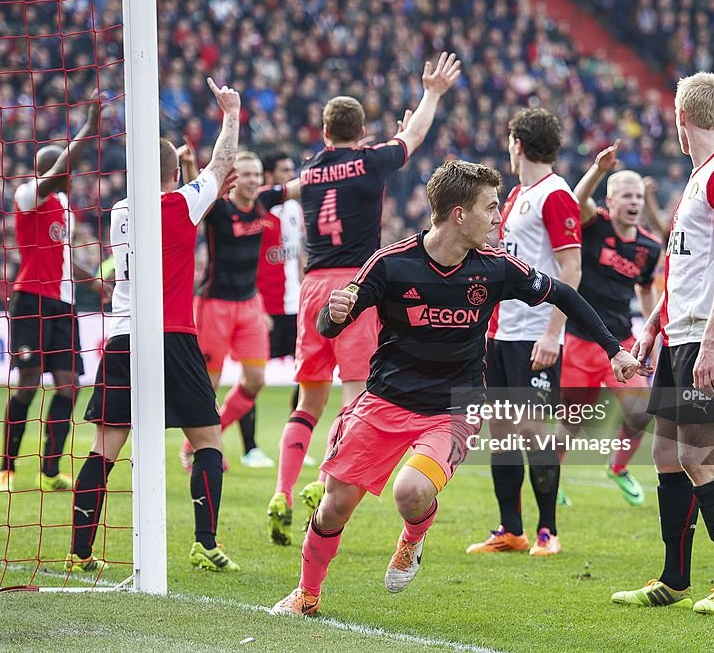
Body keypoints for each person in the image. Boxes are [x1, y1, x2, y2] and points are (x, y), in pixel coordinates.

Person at [270, 160, 643, 615]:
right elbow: (331, 325)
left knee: (410, 492)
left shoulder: (496, 268)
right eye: (490, 207)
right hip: (384, 401)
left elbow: (563, 293)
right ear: (459, 215)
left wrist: (614, 349)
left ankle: (413, 537)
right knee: (333, 507)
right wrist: (335, 310)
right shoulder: (391, 264)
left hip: (453, 408)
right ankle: (306, 595)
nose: (498, 217)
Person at [264, 52, 462, 546]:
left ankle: (283, 490)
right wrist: (432, 92)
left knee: (309, 396)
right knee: (356, 394)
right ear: (361, 130)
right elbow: (413, 138)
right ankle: (326, 482)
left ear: (325, 132)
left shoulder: (309, 172)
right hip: (355, 284)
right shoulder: (371, 162)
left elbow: (277, 193)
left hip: (311, 286)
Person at [66, 78, 243, 573]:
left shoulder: (122, 210)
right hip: (172, 336)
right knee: (207, 441)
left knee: (105, 447)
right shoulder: (180, 203)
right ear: (175, 173)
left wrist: (183, 170)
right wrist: (229, 114)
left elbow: (190, 181)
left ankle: (80, 551)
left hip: (123, 337)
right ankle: (205, 543)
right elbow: (222, 164)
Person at [613, 71, 714, 615]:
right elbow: (686, 270)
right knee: (666, 454)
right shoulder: (699, 179)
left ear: (681, 118)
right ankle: (674, 579)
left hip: (706, 338)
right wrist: (652, 327)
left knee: (699, 456)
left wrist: (713, 343)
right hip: (680, 334)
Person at [467, 108, 581, 557]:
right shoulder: (515, 195)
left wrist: (554, 332)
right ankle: (509, 529)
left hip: (536, 334)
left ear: (517, 143)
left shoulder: (555, 195)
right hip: (502, 334)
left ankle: (547, 531)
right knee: (504, 432)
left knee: (534, 432)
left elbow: (571, 269)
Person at [0, 91, 109, 493]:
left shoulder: (64, 206)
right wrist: (88, 131)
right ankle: (6, 468)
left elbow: (60, 256)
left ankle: (50, 468)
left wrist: (91, 278)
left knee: (69, 386)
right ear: (46, 170)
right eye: (60, 167)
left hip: (64, 305)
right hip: (30, 300)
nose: (67, 175)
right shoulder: (29, 195)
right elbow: (61, 169)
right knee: (27, 384)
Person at [554, 141, 662, 506]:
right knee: (571, 421)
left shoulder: (648, 246)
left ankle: (617, 468)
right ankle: (550, 480)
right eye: (625, 196)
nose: (633, 202)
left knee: (641, 409)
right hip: (580, 340)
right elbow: (573, 201)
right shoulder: (593, 225)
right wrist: (599, 170)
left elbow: (647, 290)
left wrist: (651, 333)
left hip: (621, 341)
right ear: (610, 201)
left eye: (637, 196)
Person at [183, 150, 285, 470]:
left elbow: (301, 185)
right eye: (248, 175)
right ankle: (206, 449)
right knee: (207, 386)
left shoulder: (264, 203)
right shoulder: (218, 209)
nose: (255, 180)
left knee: (255, 380)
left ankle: (200, 440)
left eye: (258, 174)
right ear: (234, 178)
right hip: (214, 305)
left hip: (250, 304)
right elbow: (195, 200)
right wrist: (189, 166)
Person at [236, 150, 304, 467]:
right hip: (264, 307)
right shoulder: (256, 212)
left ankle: (295, 444)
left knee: (307, 375)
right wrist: (257, 305)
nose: (290, 174)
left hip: (294, 304)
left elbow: (297, 255)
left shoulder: (294, 210)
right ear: (269, 177)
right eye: (284, 169)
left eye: (292, 169)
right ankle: (250, 448)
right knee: (253, 380)